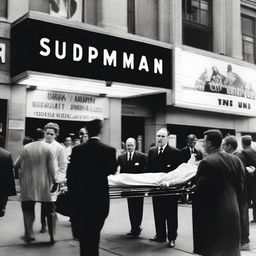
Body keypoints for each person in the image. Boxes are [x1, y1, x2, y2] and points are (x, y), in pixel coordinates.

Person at [67, 119, 117, 256]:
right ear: (100, 131)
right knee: (94, 236)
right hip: (99, 202)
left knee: (84, 239)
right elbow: (112, 170)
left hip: (81, 201)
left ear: (87, 132)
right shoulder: (109, 150)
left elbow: (70, 176)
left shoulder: (77, 150)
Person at [193, 130, 245, 256]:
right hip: (233, 212)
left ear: (210, 143)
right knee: (230, 250)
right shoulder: (236, 160)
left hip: (214, 214)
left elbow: (201, 194)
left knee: (214, 250)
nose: (202, 145)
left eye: (204, 142)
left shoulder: (207, 162)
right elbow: (241, 187)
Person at [19, 129, 57, 243]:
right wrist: (55, 181)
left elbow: (18, 164)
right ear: (44, 135)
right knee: (50, 211)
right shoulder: (50, 148)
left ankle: (29, 234)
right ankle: (52, 236)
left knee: (28, 209)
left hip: (28, 183)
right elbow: (52, 168)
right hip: (45, 183)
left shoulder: (26, 148)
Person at [147, 128, 182, 248]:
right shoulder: (152, 152)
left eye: (162, 136)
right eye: (158, 136)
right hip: (156, 189)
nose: (160, 138)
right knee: (158, 212)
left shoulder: (175, 152)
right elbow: (149, 170)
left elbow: (178, 172)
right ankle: (160, 235)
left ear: (167, 138)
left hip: (170, 189)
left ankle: (172, 237)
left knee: (171, 214)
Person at [222, 135, 250, 249]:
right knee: (241, 216)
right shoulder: (237, 156)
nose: (222, 147)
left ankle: (243, 242)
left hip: (239, 193)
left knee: (241, 217)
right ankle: (242, 241)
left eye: (224, 145)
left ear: (229, 146)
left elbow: (239, 177)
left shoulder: (236, 157)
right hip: (241, 192)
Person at [40, 122, 68, 234]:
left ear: (56, 135)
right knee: (43, 203)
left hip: (53, 180)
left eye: (51, 134)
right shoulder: (40, 145)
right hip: (41, 179)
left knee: (51, 204)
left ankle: (51, 226)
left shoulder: (60, 148)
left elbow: (63, 166)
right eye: (47, 133)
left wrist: (58, 180)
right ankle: (43, 224)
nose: (49, 136)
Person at [117, 137, 147, 238]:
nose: (129, 147)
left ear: (135, 146)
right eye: (128, 145)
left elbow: (146, 170)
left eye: (131, 145)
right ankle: (133, 227)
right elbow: (120, 172)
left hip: (138, 187)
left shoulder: (142, 157)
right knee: (131, 207)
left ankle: (137, 227)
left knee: (138, 207)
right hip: (128, 188)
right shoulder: (121, 158)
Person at [240, 135, 256, 223]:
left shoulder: (243, 153)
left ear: (242, 143)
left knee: (246, 200)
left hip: (249, 179)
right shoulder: (254, 151)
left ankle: (245, 218)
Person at [0, 135, 16, 217]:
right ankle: (2, 207)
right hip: (3, 179)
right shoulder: (7, 154)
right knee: (3, 193)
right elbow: (11, 167)